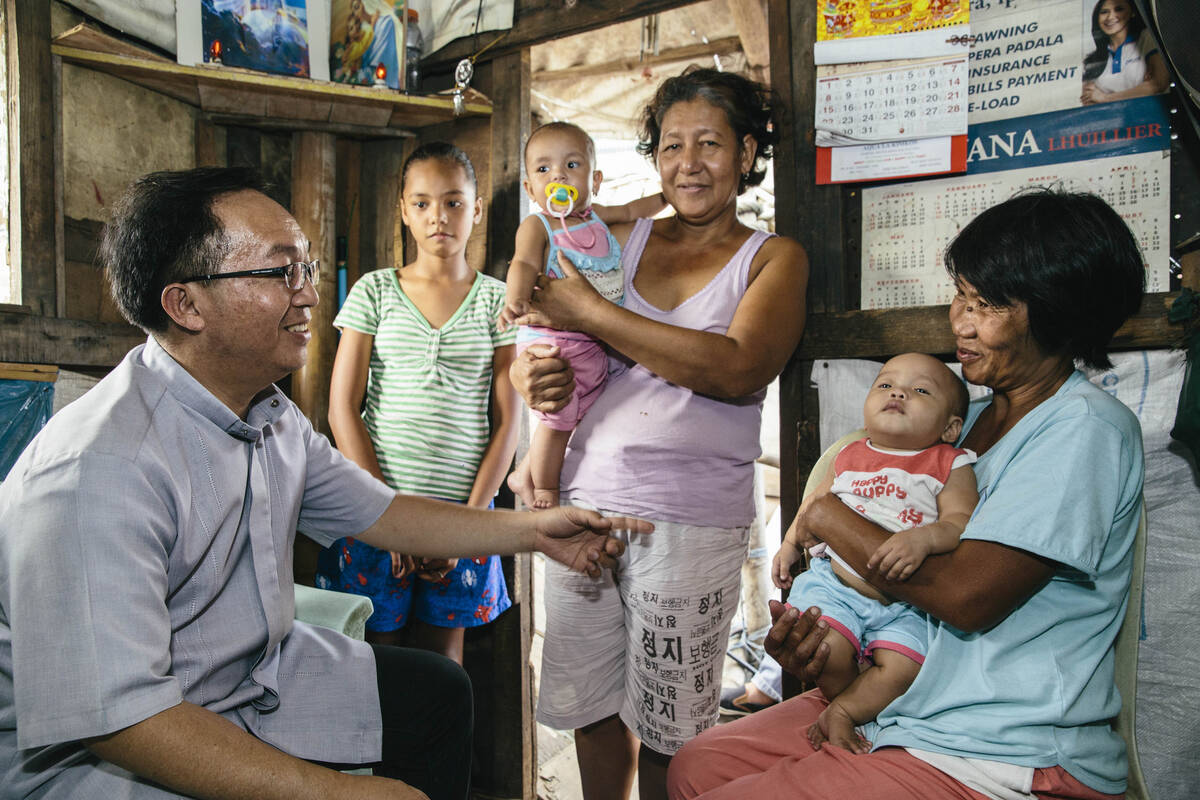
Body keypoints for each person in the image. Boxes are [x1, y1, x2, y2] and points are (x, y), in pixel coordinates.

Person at [0, 167, 651, 800]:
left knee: (439, 691)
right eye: (279, 272)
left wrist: (534, 532)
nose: (310, 294)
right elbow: (124, 721)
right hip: (109, 750)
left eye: (305, 268)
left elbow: (382, 512)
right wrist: (336, 792)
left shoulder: (264, 412)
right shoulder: (97, 470)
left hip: (240, 679)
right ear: (186, 304)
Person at [667, 188, 1146, 800]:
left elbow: (965, 597)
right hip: (909, 705)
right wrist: (828, 650)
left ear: (1058, 314)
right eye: (962, 296)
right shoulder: (963, 421)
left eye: (987, 305)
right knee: (696, 766)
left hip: (999, 745)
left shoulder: (1085, 428)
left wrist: (826, 516)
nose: (960, 322)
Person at [508, 67, 810, 800]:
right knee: (590, 706)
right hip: (582, 501)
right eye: (672, 145)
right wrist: (529, 377)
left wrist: (593, 314)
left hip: (690, 517)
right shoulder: (616, 237)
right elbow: (542, 324)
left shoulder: (772, 258)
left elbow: (736, 368)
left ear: (746, 153)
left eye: (710, 143)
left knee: (673, 727)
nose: (689, 163)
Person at [315, 143, 516, 664]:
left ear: (476, 210)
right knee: (374, 658)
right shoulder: (375, 292)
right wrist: (388, 516)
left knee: (443, 666)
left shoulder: (499, 302)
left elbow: (508, 425)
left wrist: (468, 528)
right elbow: (342, 410)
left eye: (453, 202)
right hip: (375, 508)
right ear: (403, 211)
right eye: (422, 203)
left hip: (463, 515)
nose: (438, 217)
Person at [771, 353, 978, 754]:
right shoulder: (849, 455)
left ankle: (845, 711)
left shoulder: (950, 464)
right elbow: (814, 505)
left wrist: (924, 539)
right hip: (836, 587)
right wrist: (790, 544)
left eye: (921, 390)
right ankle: (848, 705)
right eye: (885, 385)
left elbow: (959, 522)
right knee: (823, 648)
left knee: (905, 669)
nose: (898, 393)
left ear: (950, 428)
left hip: (908, 604)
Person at [501, 121, 666, 508]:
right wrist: (516, 299)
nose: (558, 175)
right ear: (530, 188)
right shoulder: (538, 225)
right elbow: (523, 263)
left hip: (594, 342)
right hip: (553, 342)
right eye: (543, 169)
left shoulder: (597, 218)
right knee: (559, 417)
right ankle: (544, 489)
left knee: (584, 410)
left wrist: (666, 197)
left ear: (595, 180)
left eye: (571, 165)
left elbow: (633, 209)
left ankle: (524, 472)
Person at [1080, 0, 1168, 105]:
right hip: (1111, 115)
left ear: (1132, 12)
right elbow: (1089, 101)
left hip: (1150, 113)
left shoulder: (1146, 38)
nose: (1110, 17)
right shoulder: (1093, 59)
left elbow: (1158, 84)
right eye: (1104, 12)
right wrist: (1141, 88)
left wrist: (1105, 98)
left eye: (1119, 9)